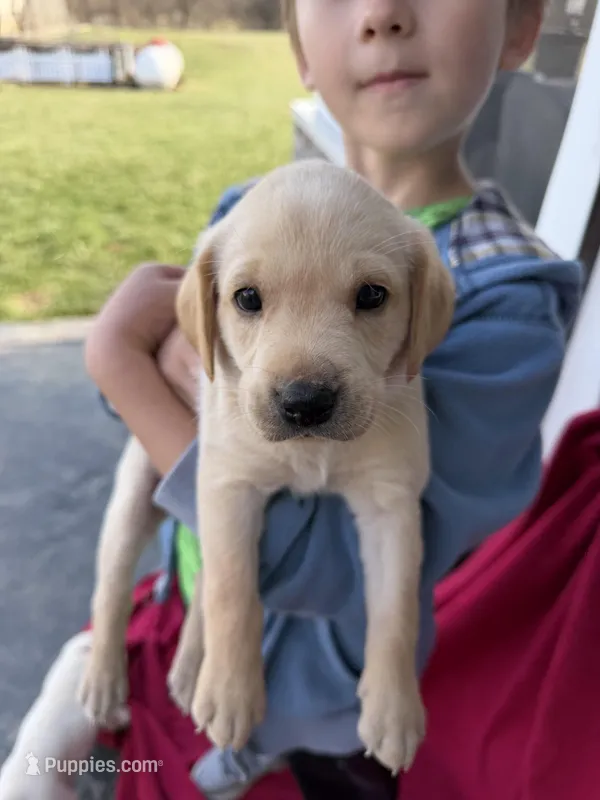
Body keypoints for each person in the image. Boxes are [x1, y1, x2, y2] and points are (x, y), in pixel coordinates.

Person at [0, 1, 582, 799]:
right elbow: (197, 398)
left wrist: (125, 369)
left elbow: (347, 555)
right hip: (182, 589)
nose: (382, 13)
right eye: (251, 301)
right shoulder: (242, 216)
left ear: (520, 28)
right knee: (33, 773)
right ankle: (104, 646)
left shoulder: (506, 301)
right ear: (300, 50)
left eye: (370, 298)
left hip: (308, 700)